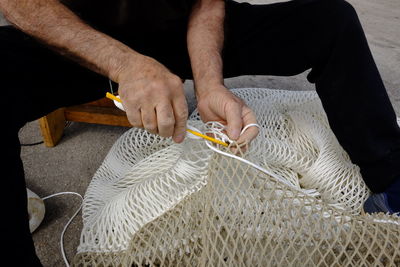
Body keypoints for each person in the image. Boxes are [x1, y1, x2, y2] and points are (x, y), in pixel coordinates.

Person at [0, 0, 399, 265]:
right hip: (83, 37)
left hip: (175, 28)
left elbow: (207, 3)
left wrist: (210, 86)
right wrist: (127, 65)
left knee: (331, 20)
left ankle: (390, 183)